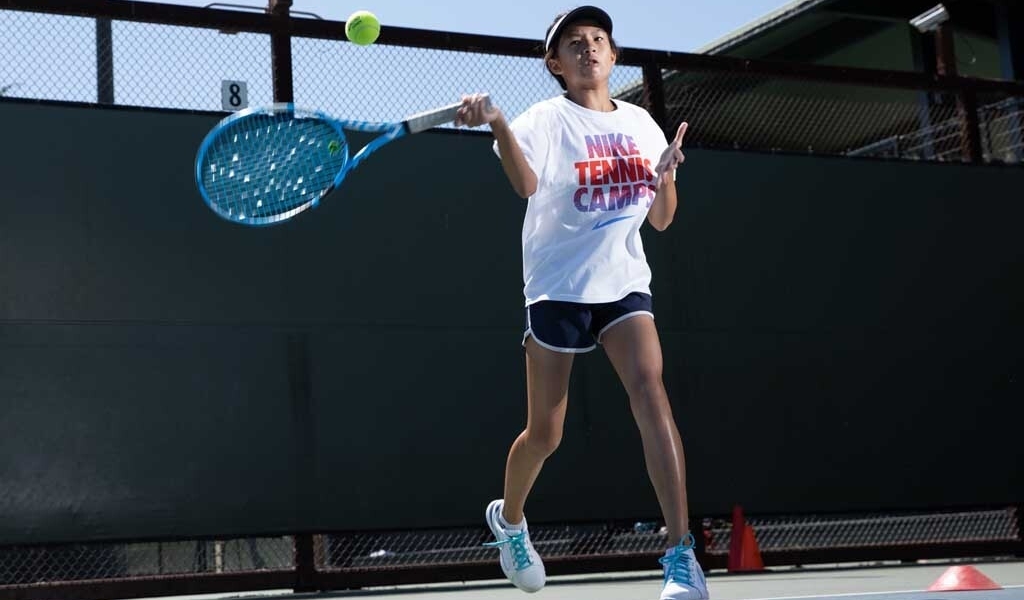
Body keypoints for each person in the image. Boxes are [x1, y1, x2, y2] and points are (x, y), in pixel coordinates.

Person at [455, 6, 708, 600]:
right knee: (544, 434)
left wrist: (666, 175)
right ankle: (510, 522)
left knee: (651, 394)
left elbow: (663, 221)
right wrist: (495, 122)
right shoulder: (545, 119)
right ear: (555, 64)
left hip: (622, 284)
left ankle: (680, 554)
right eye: (574, 43)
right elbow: (525, 185)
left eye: (599, 40)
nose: (589, 48)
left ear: (613, 56)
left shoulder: (643, 125)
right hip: (557, 288)